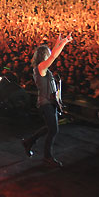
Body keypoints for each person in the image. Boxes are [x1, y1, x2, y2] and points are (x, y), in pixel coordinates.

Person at [22, 33, 73, 167]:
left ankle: (29, 142)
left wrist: (58, 43)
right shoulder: (40, 68)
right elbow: (54, 56)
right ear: (44, 56)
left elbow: (53, 55)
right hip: (45, 103)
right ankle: (47, 157)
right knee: (53, 129)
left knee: (51, 128)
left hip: (50, 102)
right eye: (48, 54)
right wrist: (64, 42)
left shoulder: (42, 68)